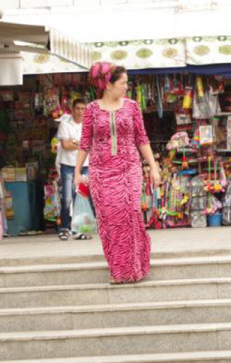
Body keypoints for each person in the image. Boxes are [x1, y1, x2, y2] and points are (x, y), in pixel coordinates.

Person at [75, 62, 161, 284]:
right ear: (108, 84)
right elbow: (85, 142)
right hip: (101, 171)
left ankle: (135, 267)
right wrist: (77, 172)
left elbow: (141, 138)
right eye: (123, 83)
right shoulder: (92, 110)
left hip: (129, 168)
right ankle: (119, 270)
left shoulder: (132, 107)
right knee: (110, 220)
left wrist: (153, 166)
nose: (126, 86)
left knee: (130, 214)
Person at [56, 98, 90, 241]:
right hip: (68, 165)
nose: (80, 112)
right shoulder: (65, 124)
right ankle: (65, 227)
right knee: (67, 198)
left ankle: (80, 229)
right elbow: (65, 145)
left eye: (83, 109)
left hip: (84, 165)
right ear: (72, 109)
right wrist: (82, 144)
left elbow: (91, 144)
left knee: (81, 197)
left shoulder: (89, 125)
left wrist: (75, 142)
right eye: (77, 108)